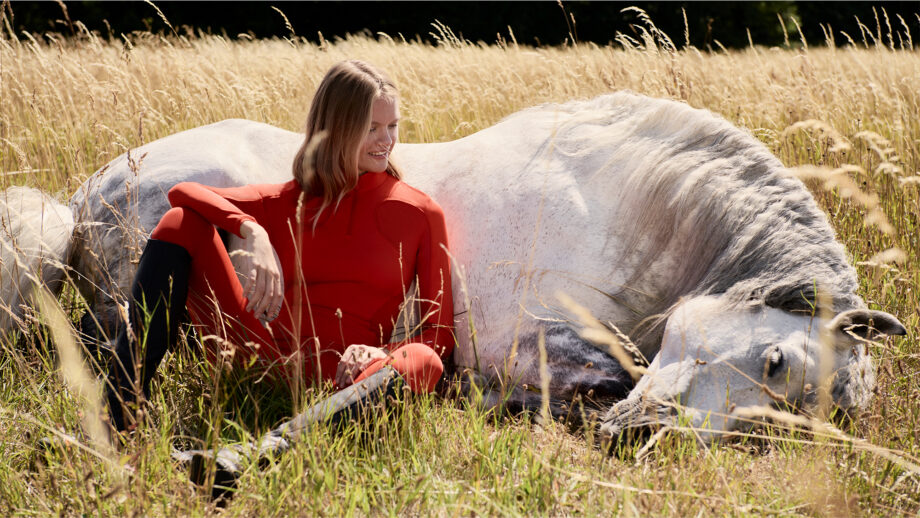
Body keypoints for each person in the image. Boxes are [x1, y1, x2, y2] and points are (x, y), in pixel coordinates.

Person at [105, 60, 455, 443]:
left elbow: (439, 333)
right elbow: (184, 194)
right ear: (335, 129)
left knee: (424, 360)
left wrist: (379, 351)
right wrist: (249, 229)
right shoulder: (287, 200)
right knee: (179, 222)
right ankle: (117, 415)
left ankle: (267, 449)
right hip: (260, 358)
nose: (385, 140)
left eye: (392, 126)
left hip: (348, 379)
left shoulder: (421, 213)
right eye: (371, 128)